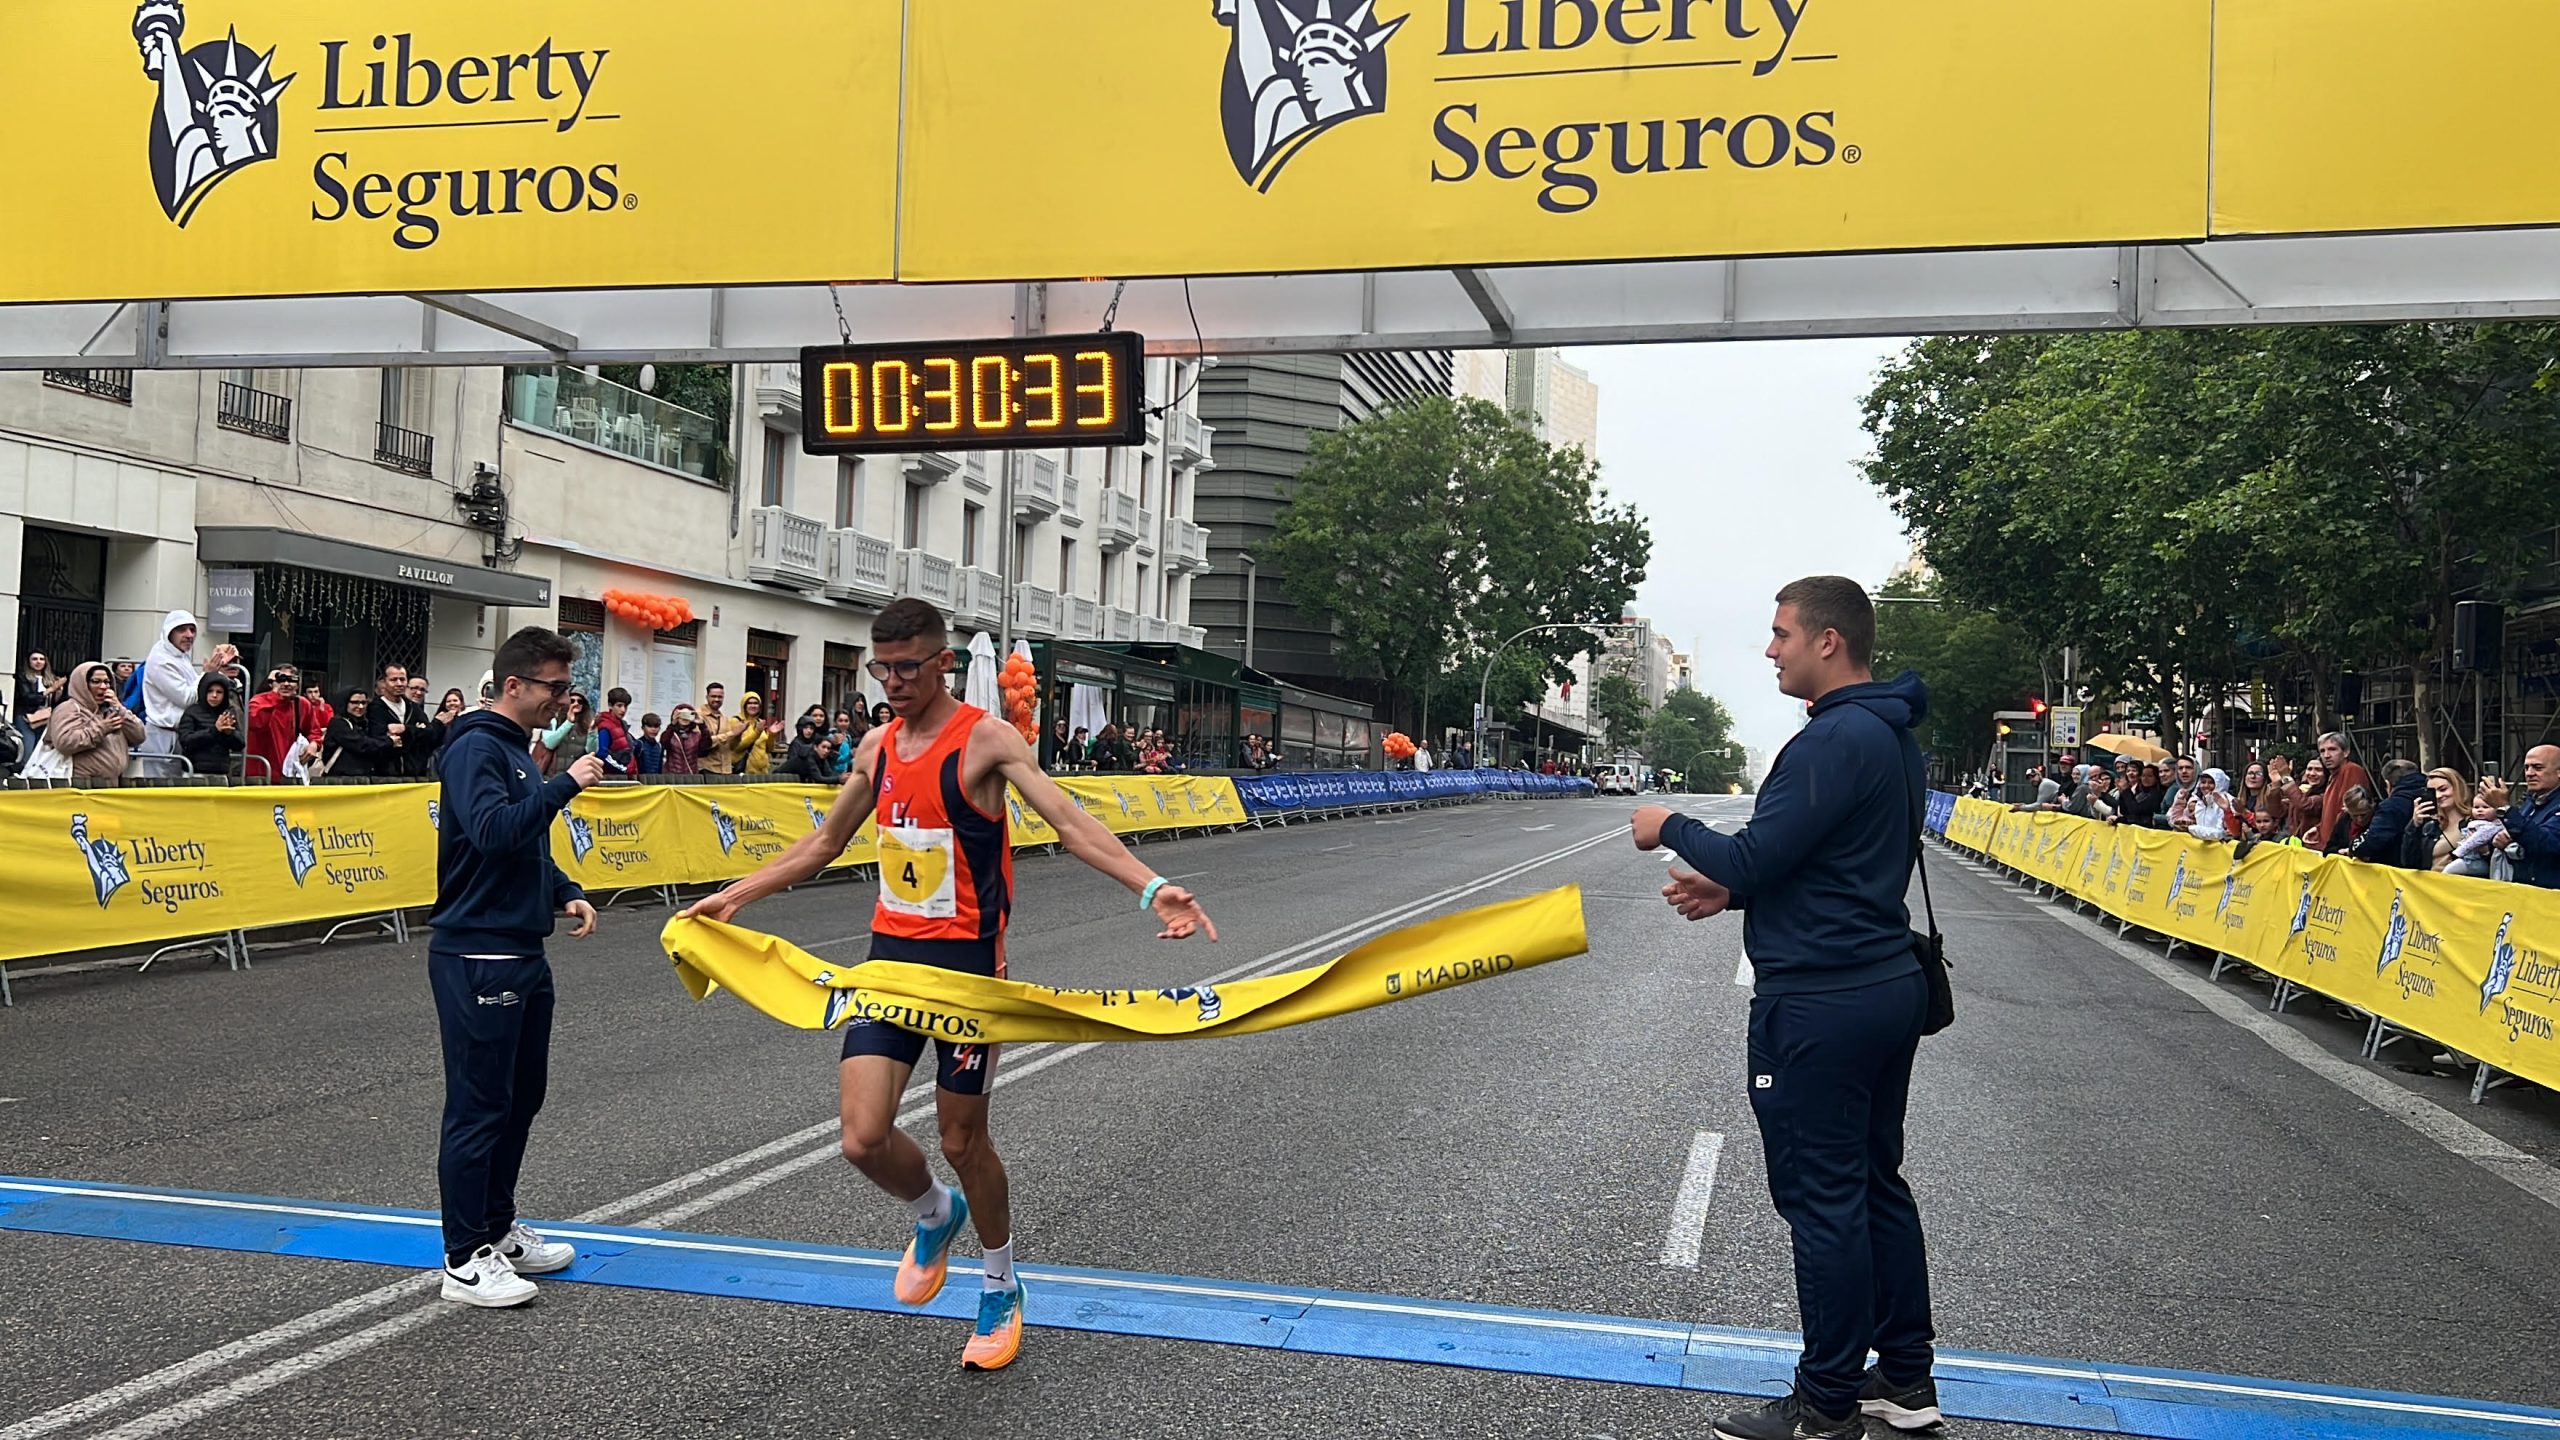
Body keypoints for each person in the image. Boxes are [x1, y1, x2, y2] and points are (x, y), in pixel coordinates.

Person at [683, 599, 1217, 1373]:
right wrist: (737, 895)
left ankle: (999, 1285)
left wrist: (1151, 887)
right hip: (891, 964)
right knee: (862, 1138)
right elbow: (825, 842)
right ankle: (935, 1214)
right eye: (880, 668)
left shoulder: (986, 740)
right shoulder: (874, 747)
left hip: (969, 973)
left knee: (964, 1139)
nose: (892, 683)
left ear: (940, 664)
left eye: (907, 667)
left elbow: (1068, 820)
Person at [1631, 577, 1940, 1440]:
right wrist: (1728, 898)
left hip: (1821, 1001)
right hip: (1881, 982)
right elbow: (1829, 866)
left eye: (1780, 635)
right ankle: (1905, 1382)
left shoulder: (1833, 739)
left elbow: (1761, 853)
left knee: (1825, 1200)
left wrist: (1671, 825)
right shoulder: (1888, 735)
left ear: (1828, 642)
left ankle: (1826, 1403)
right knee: (1876, 1187)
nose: (1770, 650)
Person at [427, 626, 603, 1309]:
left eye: (567, 687)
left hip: (521, 948)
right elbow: (494, 829)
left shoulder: (516, 752)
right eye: (555, 687)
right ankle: (462, 1255)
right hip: (478, 949)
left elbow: (519, 846)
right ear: (514, 685)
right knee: (479, 1106)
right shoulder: (476, 748)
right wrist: (566, 786)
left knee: (520, 1098)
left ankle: (496, 1228)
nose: (564, 700)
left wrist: (564, 889)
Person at [46, 661, 148, 783]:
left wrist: (120, 709)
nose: (103, 687)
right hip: (82, 784)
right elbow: (65, 743)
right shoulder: (69, 709)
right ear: (82, 684)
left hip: (112, 783)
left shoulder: (111, 709)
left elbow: (139, 736)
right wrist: (103, 728)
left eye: (107, 682)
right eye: (96, 682)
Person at [2490, 745, 2560, 888]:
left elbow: (2547, 844)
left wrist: (2504, 809)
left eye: (2538, 768)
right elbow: (2523, 833)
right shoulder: (2531, 800)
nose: (2529, 773)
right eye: (2527, 767)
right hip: (2525, 892)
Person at [247, 667, 329, 784]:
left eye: (291, 680)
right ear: (272, 683)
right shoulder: (259, 701)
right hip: (261, 773)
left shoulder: (302, 704)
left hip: (290, 772)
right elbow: (255, 723)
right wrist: (276, 696)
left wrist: (314, 744)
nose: (286, 684)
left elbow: (314, 730)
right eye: (281, 679)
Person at [2350, 759, 2427, 867]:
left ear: (2388, 784)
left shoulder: (2391, 806)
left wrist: (2352, 847)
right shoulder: (2431, 797)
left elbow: (2371, 842)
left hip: (2397, 869)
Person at [176, 671, 244, 778]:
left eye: (219, 692)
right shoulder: (192, 712)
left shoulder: (228, 713)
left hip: (221, 772)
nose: (214, 695)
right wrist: (214, 730)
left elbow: (240, 744)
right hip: (195, 772)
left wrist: (229, 733)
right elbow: (186, 741)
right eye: (210, 691)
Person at [2315, 733, 2374, 855]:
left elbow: (2349, 812)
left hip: (2343, 850)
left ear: (2346, 752)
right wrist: (2318, 829)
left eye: (2332, 749)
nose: (2326, 755)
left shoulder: (2351, 770)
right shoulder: (2334, 775)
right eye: (2322, 751)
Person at [324, 688, 392, 778]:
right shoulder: (338, 723)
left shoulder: (366, 723)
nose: (360, 706)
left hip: (364, 777)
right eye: (354, 702)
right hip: (340, 778)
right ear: (345, 703)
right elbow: (360, 744)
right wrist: (389, 741)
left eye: (363, 703)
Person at [537, 692, 595, 779]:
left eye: (580, 701)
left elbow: (591, 751)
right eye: (572, 701)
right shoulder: (554, 720)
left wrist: (591, 733)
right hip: (554, 776)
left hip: (577, 777)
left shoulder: (586, 724)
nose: (576, 704)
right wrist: (568, 723)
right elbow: (549, 743)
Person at [721, 692, 780, 775]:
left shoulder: (759, 722)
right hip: (744, 772)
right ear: (744, 705)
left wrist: (772, 735)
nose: (753, 706)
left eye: (756, 703)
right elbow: (737, 747)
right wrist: (756, 732)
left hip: (762, 772)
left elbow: (769, 749)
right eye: (749, 703)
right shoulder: (736, 721)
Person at [15, 650, 60, 757]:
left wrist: (58, 692)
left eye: (41, 659)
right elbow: (27, 698)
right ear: (29, 662)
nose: (38, 662)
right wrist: (49, 690)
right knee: (27, 749)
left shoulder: (50, 679)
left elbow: (54, 703)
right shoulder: (23, 677)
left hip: (45, 718)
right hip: (26, 717)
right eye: (34, 659)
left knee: (40, 750)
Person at [594, 688, 637, 775]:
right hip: (613, 777)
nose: (623, 710)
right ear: (610, 705)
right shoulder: (605, 726)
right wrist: (623, 769)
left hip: (627, 775)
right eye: (619, 705)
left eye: (625, 706)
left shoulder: (622, 725)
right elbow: (602, 754)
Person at [2287, 757, 2330, 846]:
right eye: (2309, 769)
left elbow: (2304, 804)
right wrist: (2275, 784)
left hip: (2313, 848)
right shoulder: (2301, 791)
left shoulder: (2325, 796)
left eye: (2318, 770)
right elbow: (2277, 811)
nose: (2312, 773)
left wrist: (2286, 778)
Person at [696, 684, 735, 776]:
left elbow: (731, 746)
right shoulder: (698, 716)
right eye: (713, 696)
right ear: (707, 697)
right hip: (707, 769)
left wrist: (739, 734)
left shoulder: (724, 718)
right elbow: (702, 742)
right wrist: (731, 733)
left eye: (720, 697)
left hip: (725, 770)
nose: (717, 699)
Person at [779, 715, 830, 783]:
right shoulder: (796, 743)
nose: (809, 731)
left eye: (811, 728)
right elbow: (794, 762)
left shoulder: (815, 743)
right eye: (805, 728)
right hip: (793, 778)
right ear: (800, 728)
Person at [662, 704, 707, 775]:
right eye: (682, 714)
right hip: (671, 776)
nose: (685, 718)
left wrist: (702, 725)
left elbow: (705, 749)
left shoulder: (696, 735)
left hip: (691, 776)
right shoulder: (670, 734)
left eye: (688, 715)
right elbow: (664, 743)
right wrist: (672, 724)